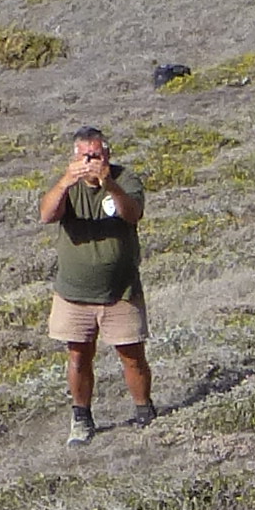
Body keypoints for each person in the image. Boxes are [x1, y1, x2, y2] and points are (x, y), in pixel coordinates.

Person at [37, 126, 155, 444]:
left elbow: (133, 214)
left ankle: (144, 411)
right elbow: (46, 215)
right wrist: (66, 181)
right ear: (75, 157)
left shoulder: (125, 179)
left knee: (132, 355)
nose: (91, 161)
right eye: (85, 156)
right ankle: (81, 417)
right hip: (74, 294)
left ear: (107, 155)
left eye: (97, 155)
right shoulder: (67, 185)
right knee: (78, 356)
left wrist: (109, 184)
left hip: (120, 291)